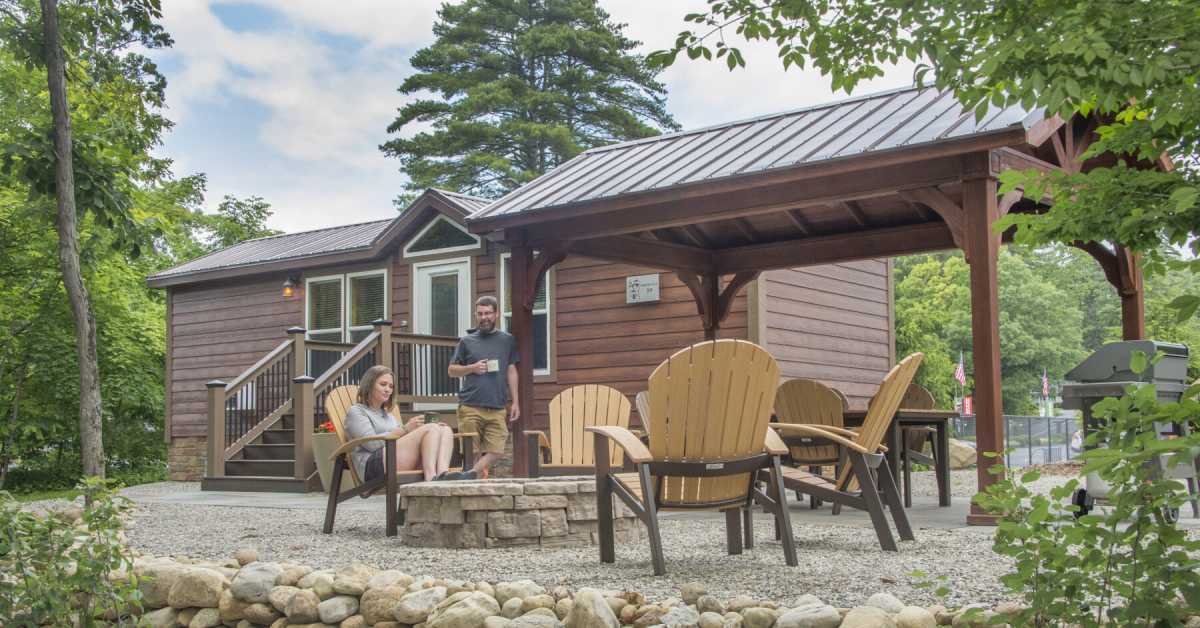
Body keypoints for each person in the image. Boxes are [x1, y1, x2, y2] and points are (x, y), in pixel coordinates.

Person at [343, 364, 459, 482]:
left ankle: (442, 474)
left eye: (391, 386)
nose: (388, 389)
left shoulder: (389, 416)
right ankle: (431, 478)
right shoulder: (357, 411)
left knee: (444, 430)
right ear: (369, 385)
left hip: (393, 458)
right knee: (432, 428)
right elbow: (372, 445)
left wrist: (416, 429)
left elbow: (404, 438)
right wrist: (406, 429)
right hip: (373, 467)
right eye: (383, 384)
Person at [447, 295, 519, 478]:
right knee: (472, 452)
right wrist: (472, 368)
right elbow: (451, 371)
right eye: (480, 313)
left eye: (488, 313)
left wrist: (516, 402)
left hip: (497, 407)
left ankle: (469, 475)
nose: (484, 317)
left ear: (496, 314)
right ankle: (474, 481)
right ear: (476, 315)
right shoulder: (467, 341)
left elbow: (511, 370)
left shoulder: (507, 340)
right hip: (471, 406)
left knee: (497, 449)